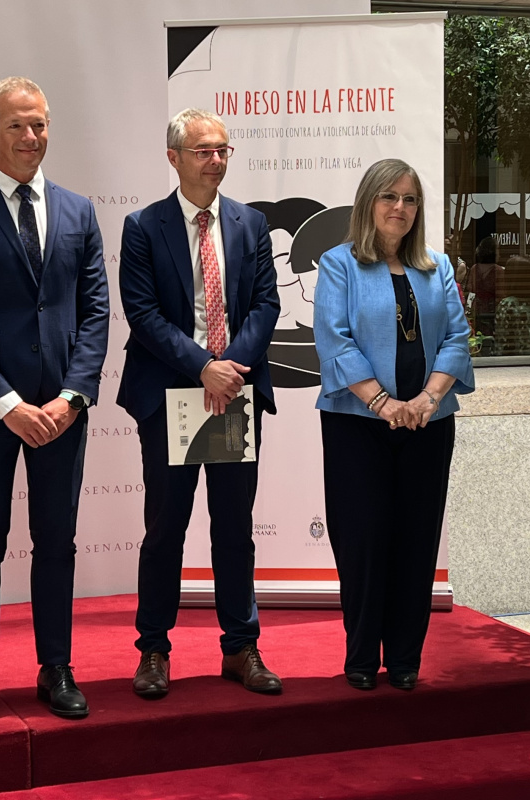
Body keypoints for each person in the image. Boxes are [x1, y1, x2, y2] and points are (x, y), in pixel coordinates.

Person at [0, 77, 110, 724]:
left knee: (56, 540)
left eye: (39, 125)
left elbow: (95, 313)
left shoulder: (79, 212)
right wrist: (7, 403)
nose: (31, 137)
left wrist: (72, 397)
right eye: (16, 126)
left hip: (62, 411)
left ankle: (55, 666)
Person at [116, 108, 282, 700]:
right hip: (170, 396)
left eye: (222, 150)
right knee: (166, 529)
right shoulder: (142, 226)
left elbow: (265, 305)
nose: (216, 160)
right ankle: (154, 651)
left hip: (233, 395)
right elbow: (143, 314)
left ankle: (240, 647)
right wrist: (201, 367)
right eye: (203, 151)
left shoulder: (251, 223)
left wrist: (229, 369)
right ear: (174, 158)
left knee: (234, 528)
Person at [313, 158, 475, 691]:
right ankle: (361, 658)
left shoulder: (438, 266)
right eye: (389, 197)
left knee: (416, 539)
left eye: (409, 199)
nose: (400, 208)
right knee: (363, 540)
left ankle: (405, 658)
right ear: (368, 203)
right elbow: (335, 340)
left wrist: (428, 398)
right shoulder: (339, 264)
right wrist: (383, 403)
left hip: (428, 425)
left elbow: (456, 337)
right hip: (357, 426)